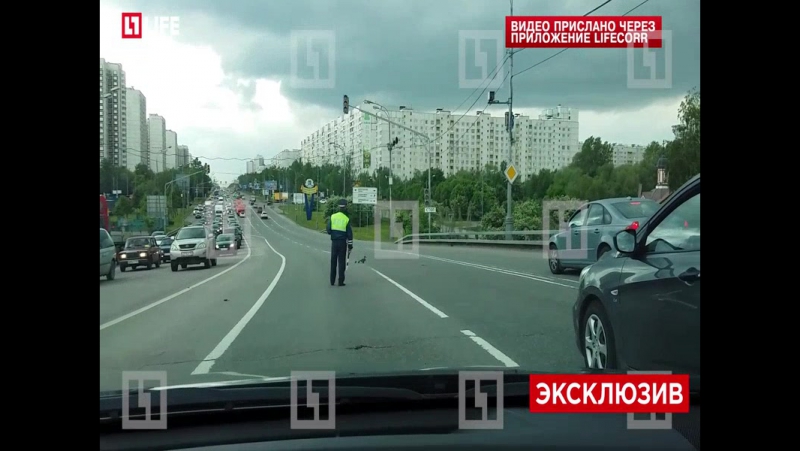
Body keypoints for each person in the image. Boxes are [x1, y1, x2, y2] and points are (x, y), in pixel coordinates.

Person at [326, 198, 354, 286]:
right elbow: (349, 233)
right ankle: (341, 281)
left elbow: (328, 229)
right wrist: (350, 244)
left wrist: (333, 233)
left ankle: (332, 281)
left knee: (333, 261)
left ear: (339, 207)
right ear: (345, 207)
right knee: (341, 262)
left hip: (334, 242)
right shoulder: (346, 219)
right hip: (342, 243)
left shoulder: (333, 216)